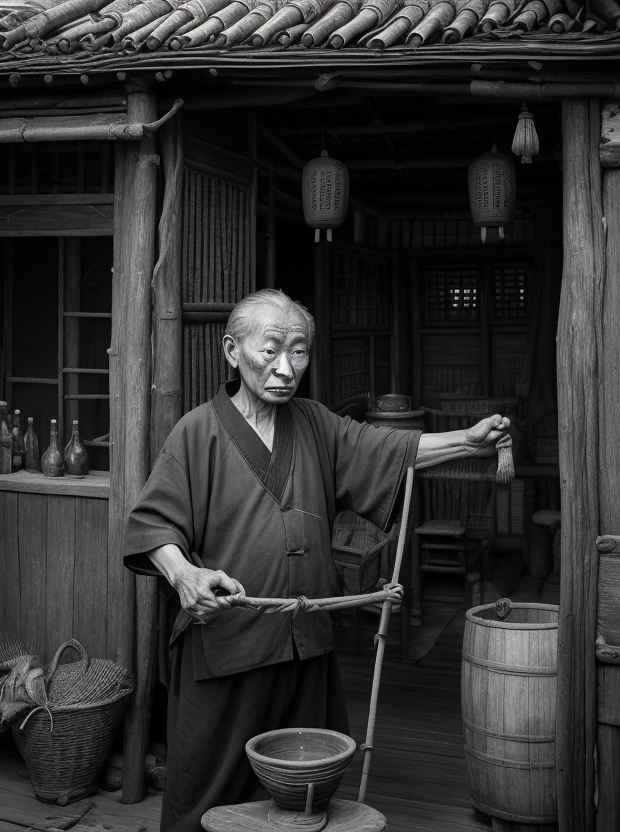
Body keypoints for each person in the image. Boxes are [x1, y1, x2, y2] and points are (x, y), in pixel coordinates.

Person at [122, 288, 509, 832]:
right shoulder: (198, 432)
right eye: (271, 350)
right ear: (232, 351)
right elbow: (154, 522)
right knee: (208, 792)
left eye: (299, 352)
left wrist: (468, 441)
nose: (286, 367)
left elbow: (387, 450)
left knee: (307, 792)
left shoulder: (316, 423)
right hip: (229, 646)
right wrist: (183, 574)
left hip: (307, 646)